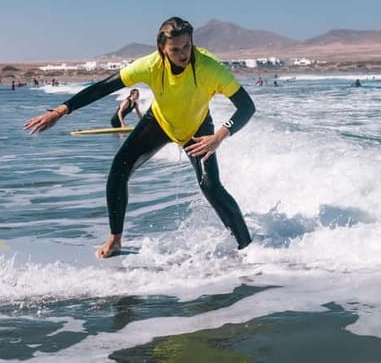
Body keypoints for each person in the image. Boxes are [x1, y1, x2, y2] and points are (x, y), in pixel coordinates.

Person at [24, 17, 255, 258]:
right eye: (175, 49)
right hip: (160, 123)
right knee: (119, 169)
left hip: (198, 128)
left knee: (211, 186)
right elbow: (103, 87)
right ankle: (115, 240)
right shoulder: (150, 65)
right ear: (162, 49)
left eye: (187, 46)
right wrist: (61, 111)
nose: (183, 54)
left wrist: (220, 135)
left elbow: (246, 106)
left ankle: (248, 249)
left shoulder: (210, 68)